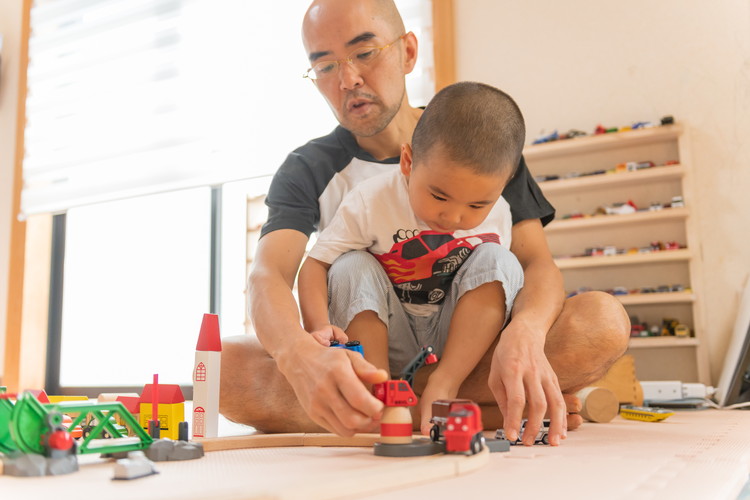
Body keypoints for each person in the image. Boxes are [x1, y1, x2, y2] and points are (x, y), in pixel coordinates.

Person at [219, 0, 630, 447]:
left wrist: (526, 332)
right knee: (222, 367)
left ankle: (391, 410)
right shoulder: (307, 168)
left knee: (602, 322)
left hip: (468, 351)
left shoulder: (480, 145)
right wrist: (300, 354)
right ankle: (474, 407)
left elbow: (537, 266)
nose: (348, 79)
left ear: (408, 52)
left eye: (365, 52)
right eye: (324, 66)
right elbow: (269, 275)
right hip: (362, 356)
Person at [298, 81, 526, 436]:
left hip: (455, 339)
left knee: (501, 262)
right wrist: (318, 330)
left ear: (504, 184)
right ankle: (382, 392)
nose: (453, 217)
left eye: (477, 205)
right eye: (438, 195)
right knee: (348, 265)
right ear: (408, 162)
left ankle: (444, 385)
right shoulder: (370, 199)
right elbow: (315, 264)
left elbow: (495, 290)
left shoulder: (501, 212)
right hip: (389, 332)